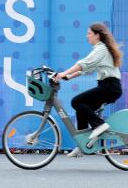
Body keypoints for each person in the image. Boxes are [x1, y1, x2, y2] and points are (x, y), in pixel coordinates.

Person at [52, 22, 123, 158]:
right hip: (108, 86)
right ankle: (82, 144)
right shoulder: (101, 49)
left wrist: (62, 74)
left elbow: (83, 64)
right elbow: (86, 69)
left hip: (109, 87)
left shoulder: (100, 49)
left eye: (89, 33)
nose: (87, 36)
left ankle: (100, 126)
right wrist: (68, 76)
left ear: (97, 35)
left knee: (76, 101)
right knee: (81, 107)